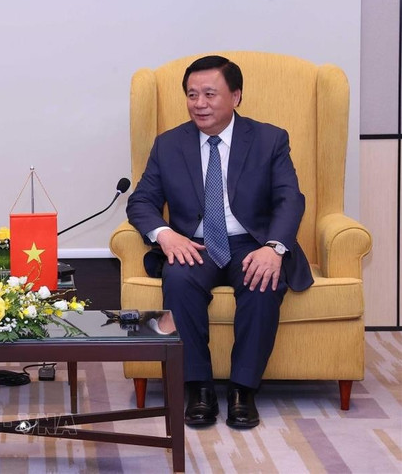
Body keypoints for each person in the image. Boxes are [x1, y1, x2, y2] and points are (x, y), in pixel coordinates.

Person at [126, 55, 313, 429]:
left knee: (264, 282)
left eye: (210, 94)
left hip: (252, 241)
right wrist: (165, 235)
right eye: (192, 94)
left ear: (236, 96)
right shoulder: (169, 145)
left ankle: (244, 390)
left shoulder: (268, 139)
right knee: (178, 281)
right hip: (195, 244)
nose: (199, 103)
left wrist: (274, 247)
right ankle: (198, 388)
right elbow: (141, 201)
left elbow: (290, 199)